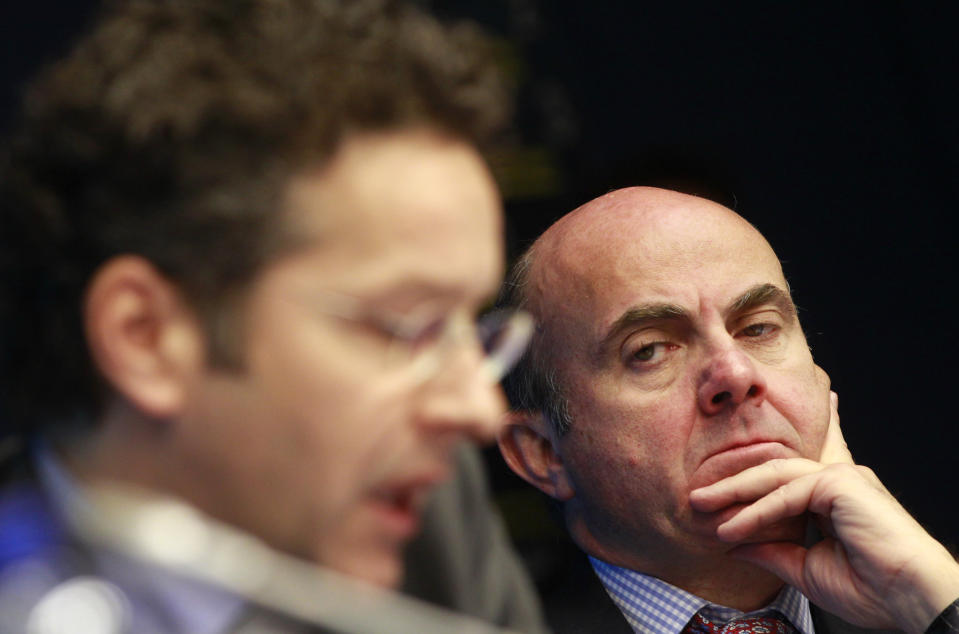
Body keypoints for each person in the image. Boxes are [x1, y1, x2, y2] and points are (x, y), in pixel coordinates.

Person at [0, 0, 546, 632]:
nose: (479, 410)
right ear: (144, 337)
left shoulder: (426, 521)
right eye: (412, 327)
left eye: (471, 327)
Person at [496, 186, 959, 634]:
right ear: (542, 452)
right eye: (651, 350)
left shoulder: (930, 600)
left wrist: (927, 597)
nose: (737, 374)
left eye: (758, 328)